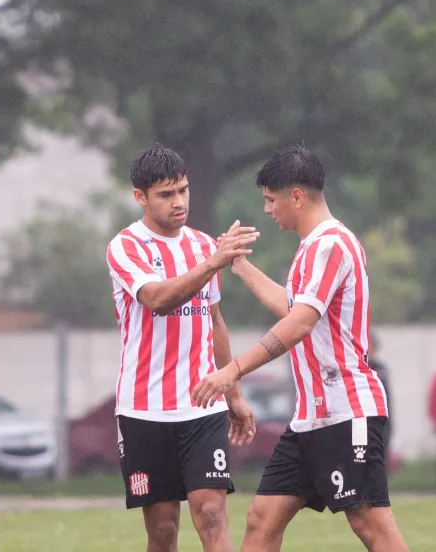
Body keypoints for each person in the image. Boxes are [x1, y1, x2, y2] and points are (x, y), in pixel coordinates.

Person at [192, 145, 409, 552]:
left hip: (348, 412)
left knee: (371, 527)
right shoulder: (311, 248)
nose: (268, 210)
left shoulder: (332, 244)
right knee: (260, 520)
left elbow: (298, 324)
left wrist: (233, 369)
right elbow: (292, 307)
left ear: (296, 196)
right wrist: (239, 265)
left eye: (271, 200)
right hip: (310, 420)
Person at [106, 145, 257, 552]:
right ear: (141, 197)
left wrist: (234, 395)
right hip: (144, 409)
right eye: (166, 194)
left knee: (211, 514)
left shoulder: (205, 245)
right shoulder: (126, 247)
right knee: (163, 531)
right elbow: (157, 299)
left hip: (202, 406)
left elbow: (215, 322)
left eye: (184, 191)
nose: (179, 202)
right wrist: (213, 263)